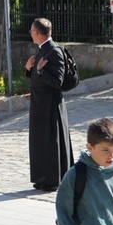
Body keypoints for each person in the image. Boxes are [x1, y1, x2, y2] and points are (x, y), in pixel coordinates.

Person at [25, 18, 73, 191]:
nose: (30, 33)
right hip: (39, 104)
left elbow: (57, 82)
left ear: (37, 33)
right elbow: (37, 76)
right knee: (39, 142)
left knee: (51, 142)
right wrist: (29, 68)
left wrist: (40, 70)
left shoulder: (54, 51)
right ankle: (42, 177)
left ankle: (53, 179)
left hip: (50, 106)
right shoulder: (41, 50)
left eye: (31, 30)